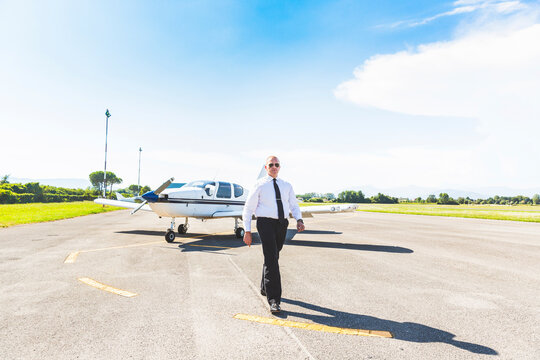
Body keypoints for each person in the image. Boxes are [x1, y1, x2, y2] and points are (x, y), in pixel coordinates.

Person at [242, 155, 305, 313]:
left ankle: (265, 287)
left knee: (273, 255)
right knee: (272, 259)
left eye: (277, 164)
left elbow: (293, 204)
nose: (274, 167)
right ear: (266, 167)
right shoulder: (259, 185)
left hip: (282, 224)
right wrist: (247, 231)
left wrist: (299, 219)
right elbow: (248, 209)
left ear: (280, 167)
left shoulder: (286, 185)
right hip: (265, 224)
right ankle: (274, 300)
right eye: (271, 165)